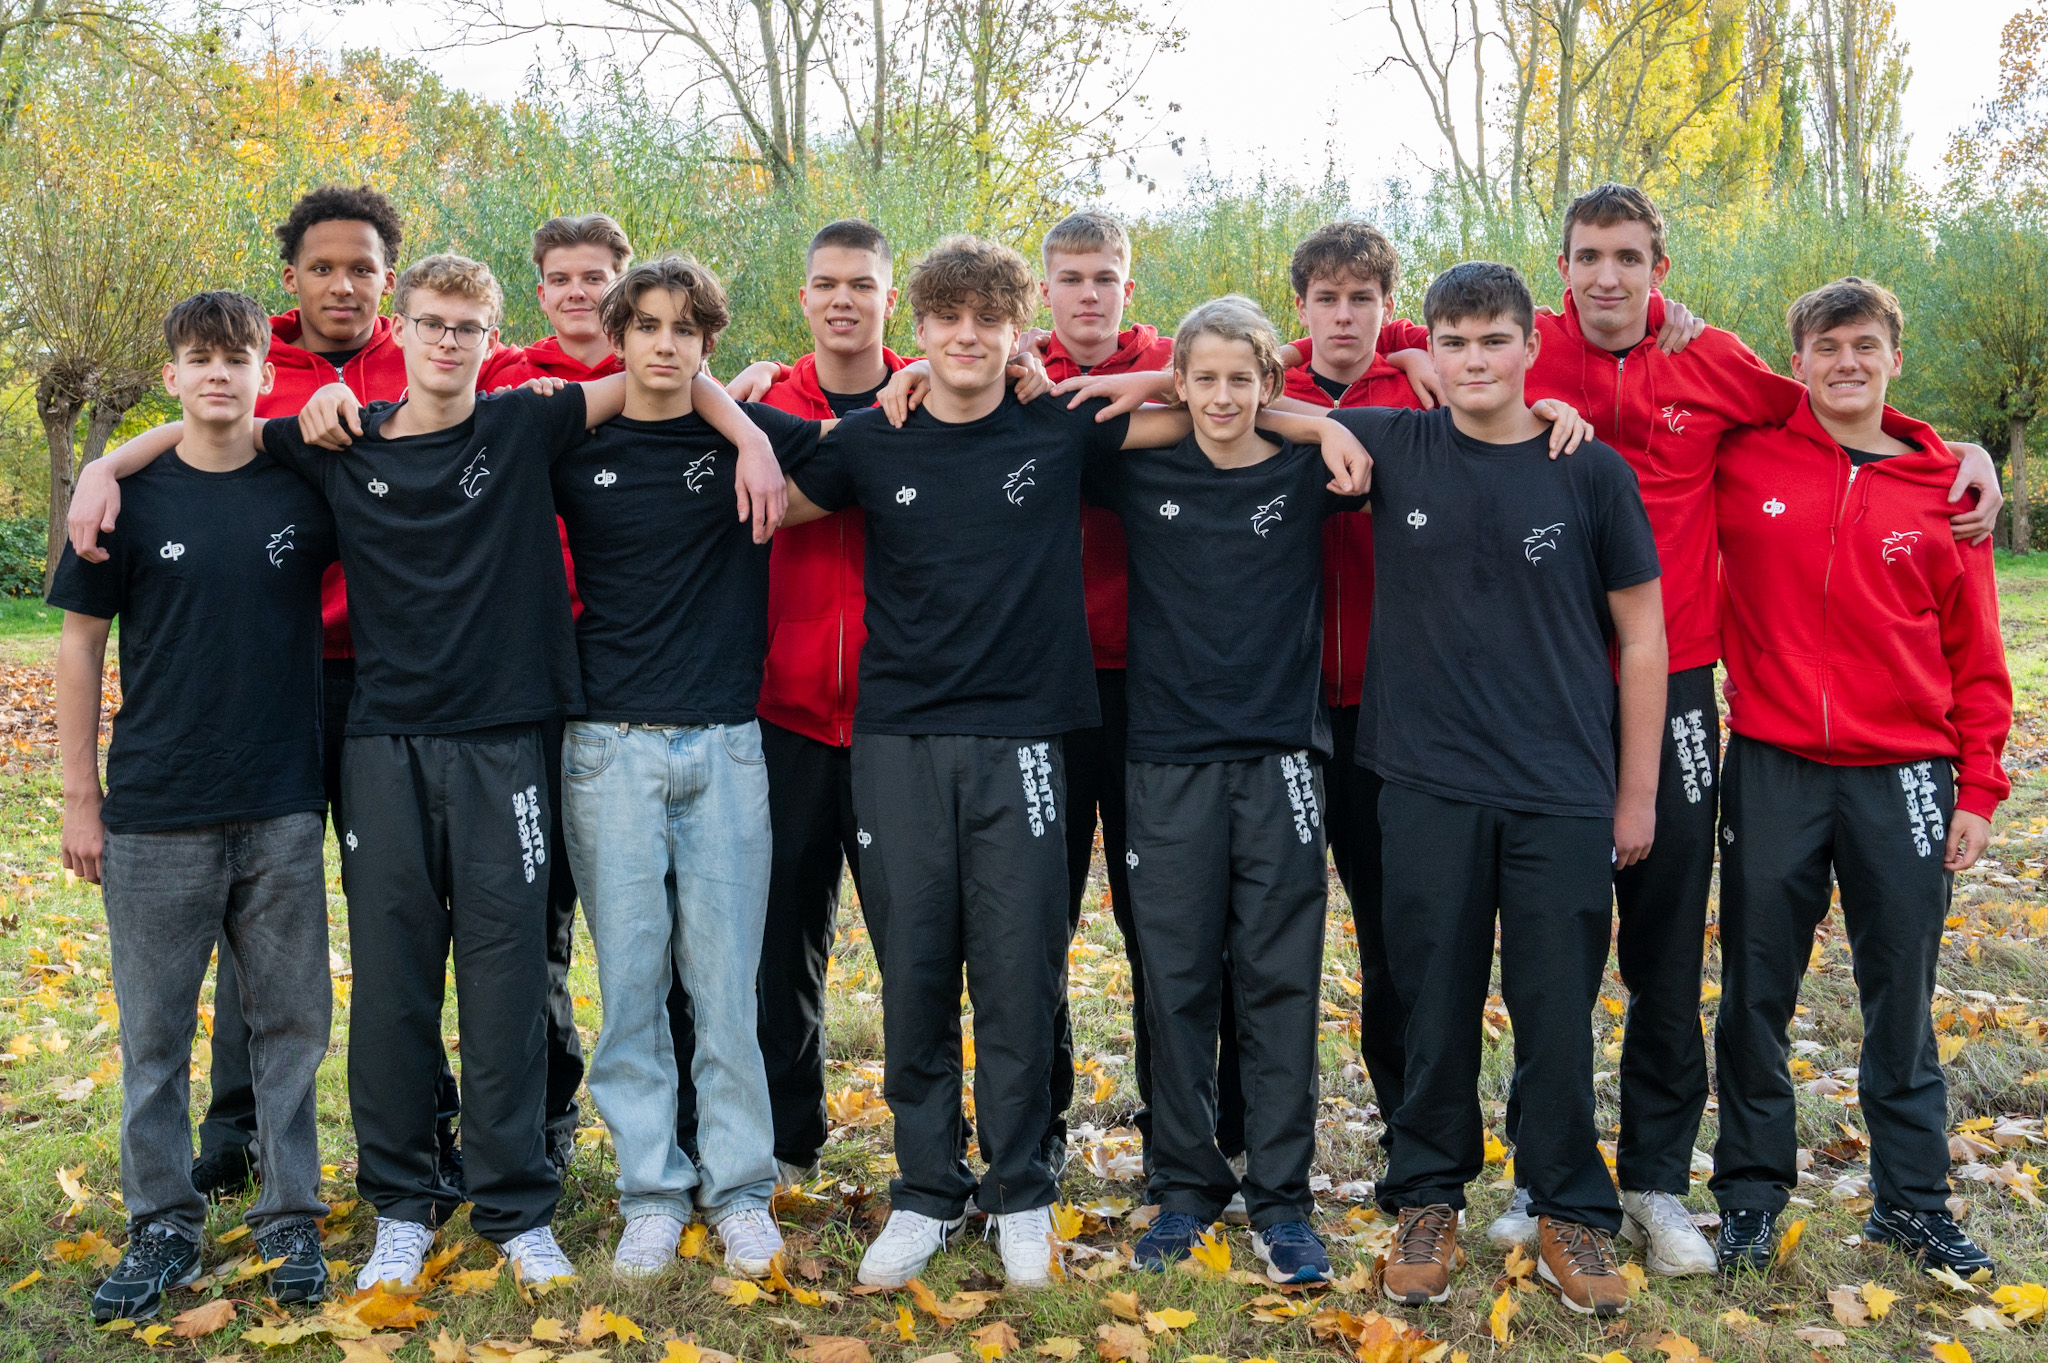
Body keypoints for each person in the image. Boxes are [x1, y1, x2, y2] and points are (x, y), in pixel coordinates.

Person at [67, 252, 785, 1290]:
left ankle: (515, 1206)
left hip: (507, 744)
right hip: (385, 745)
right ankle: (401, 1206)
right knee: (393, 984)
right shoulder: (337, 439)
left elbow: (657, 377)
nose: (448, 341)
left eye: (468, 327)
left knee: (506, 981)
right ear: (398, 329)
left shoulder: (524, 423)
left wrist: (751, 433)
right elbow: (212, 431)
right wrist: (105, 465)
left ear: (493, 340)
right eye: (432, 323)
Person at [771, 235, 1369, 1290]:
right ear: (919, 328)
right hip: (899, 736)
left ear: (1018, 332)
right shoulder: (871, 439)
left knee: (1018, 970)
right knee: (914, 969)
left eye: (986, 319)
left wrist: (1313, 417)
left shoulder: (1059, 429)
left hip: (1030, 734)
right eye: (946, 318)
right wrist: (732, 400)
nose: (965, 336)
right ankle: (924, 1189)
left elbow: (1206, 403)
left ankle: (1019, 1190)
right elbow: (774, 492)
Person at [1486, 183, 2006, 1278]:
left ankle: (1658, 1180)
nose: (1608, 276)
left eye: (1629, 256)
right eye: (1588, 255)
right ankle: (1544, 1173)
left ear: (1659, 268)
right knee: (1548, 943)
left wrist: (1961, 450)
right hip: (1545, 687)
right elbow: (1385, 358)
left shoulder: (1712, 359)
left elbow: (1840, 410)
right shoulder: (1519, 347)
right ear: (1562, 265)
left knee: (1669, 949)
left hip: (1678, 686)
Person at [1335, 262, 1665, 1319]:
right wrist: (1321, 426)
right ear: (1428, 348)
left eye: (1492, 340)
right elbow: (1249, 400)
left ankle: (1568, 1206)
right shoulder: (1396, 444)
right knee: (1429, 1002)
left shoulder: (1588, 470)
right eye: (1453, 341)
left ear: (1531, 347)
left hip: (1560, 784)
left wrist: (1636, 795)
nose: (1473, 359)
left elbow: (1643, 637)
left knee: (1556, 1009)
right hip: (1425, 779)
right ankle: (1426, 1198)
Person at [1708, 277, 2010, 1278]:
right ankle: (1750, 1198)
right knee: (1755, 991)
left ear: (1893, 359)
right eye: (1827, 346)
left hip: (1906, 772)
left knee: (1900, 994)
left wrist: (1978, 786)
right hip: (1773, 762)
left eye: (1864, 345)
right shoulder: (1744, 456)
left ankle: (1911, 1204)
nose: (1846, 362)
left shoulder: (1947, 489)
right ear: (1796, 361)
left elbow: (1976, 653)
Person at [53, 292, 339, 1319]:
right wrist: (81, 798)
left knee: (292, 1024)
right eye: (200, 358)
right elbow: (80, 645)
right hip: (156, 808)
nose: (220, 373)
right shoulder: (126, 499)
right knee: (154, 1036)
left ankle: (290, 1214)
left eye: (238, 357)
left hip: (281, 802)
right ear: (172, 374)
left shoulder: (305, 482)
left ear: (266, 371)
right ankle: (163, 1222)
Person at [183, 185, 471, 1203]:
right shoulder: (250, 367)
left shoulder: (434, 352)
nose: (342, 284)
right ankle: (238, 1126)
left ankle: (431, 1117)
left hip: (397, 683)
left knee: (406, 906)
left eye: (362, 267)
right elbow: (191, 443)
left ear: (389, 278)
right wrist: (103, 468)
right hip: (272, 678)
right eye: (321, 267)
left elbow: (585, 383)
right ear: (291, 277)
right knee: (255, 905)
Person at [550, 255, 821, 1277]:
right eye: (646, 325)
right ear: (618, 335)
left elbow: (872, 446)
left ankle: (740, 1188)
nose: (664, 343)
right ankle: (652, 1192)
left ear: (708, 341)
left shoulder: (757, 441)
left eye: (684, 328)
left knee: (726, 986)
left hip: (726, 742)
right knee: (630, 986)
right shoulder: (574, 443)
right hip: (609, 745)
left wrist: (748, 431)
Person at [1088, 296, 1366, 1284]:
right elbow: (1078, 423)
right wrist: (1164, 395)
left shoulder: (1306, 472)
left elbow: (1400, 431)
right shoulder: (1140, 470)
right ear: (1178, 383)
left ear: (1269, 383)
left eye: (1239, 380)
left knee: (1279, 978)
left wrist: (1317, 426)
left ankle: (1282, 1201)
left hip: (1280, 756)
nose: (1219, 397)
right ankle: (1183, 1187)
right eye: (1200, 378)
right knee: (1175, 979)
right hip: (1164, 757)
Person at [716, 219, 914, 1185]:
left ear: (890, 298)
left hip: (898, 715)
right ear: (804, 297)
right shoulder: (758, 404)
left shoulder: (934, 396)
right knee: (779, 942)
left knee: (916, 943)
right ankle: (789, 1141)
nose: (844, 299)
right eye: (827, 283)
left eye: (862, 284)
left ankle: (933, 1150)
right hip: (783, 708)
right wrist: (728, 400)